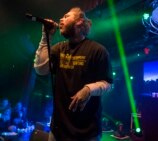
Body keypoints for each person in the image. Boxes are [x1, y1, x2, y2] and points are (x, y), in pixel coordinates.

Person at [33, 7, 113, 141]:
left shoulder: (98, 50)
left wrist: (88, 89)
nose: (60, 19)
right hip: (58, 130)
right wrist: (46, 36)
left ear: (79, 22)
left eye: (66, 16)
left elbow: (108, 83)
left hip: (87, 132)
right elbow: (40, 69)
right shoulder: (58, 48)